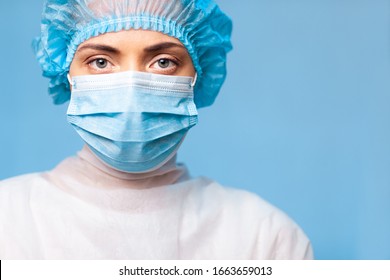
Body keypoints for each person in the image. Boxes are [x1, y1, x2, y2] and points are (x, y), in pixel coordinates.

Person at [0, 0, 313, 259]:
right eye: (100, 61)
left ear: (198, 77)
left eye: (163, 62)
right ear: (66, 76)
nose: (132, 87)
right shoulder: (10, 219)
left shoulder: (266, 239)